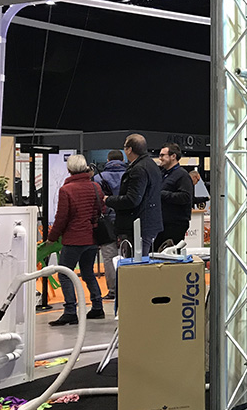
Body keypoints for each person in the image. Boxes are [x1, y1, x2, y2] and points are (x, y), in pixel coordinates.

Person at [46, 154, 107, 326]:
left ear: (69, 169)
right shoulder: (95, 186)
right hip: (92, 238)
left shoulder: (66, 190)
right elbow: (102, 209)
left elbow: (61, 218)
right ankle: (97, 307)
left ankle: (70, 311)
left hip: (74, 239)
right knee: (88, 272)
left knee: (65, 274)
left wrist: (52, 238)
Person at [104, 134, 163, 256]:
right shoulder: (151, 165)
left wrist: (109, 200)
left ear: (129, 149)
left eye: (125, 147)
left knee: (137, 262)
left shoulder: (139, 169)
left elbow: (133, 199)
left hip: (138, 225)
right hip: (148, 222)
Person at [93, 149, 127, 301]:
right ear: (122, 160)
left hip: (106, 221)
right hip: (126, 219)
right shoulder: (129, 175)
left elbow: (97, 202)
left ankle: (113, 290)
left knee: (108, 256)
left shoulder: (98, 178)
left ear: (108, 160)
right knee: (127, 255)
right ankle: (128, 287)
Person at [156, 142, 194, 248]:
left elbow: (185, 197)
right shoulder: (163, 174)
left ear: (173, 156)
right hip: (162, 223)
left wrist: (162, 194)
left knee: (170, 255)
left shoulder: (182, 175)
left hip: (175, 224)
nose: (160, 158)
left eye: (163, 155)